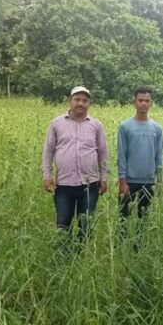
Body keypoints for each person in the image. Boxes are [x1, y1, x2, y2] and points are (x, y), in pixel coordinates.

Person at [42, 86, 109, 247]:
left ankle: (82, 256)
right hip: (64, 184)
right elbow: (48, 151)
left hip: (90, 185)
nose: (81, 103)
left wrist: (104, 177)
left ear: (89, 104)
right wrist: (47, 175)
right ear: (70, 101)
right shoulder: (57, 123)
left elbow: (103, 153)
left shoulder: (96, 125)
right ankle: (64, 258)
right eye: (77, 99)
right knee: (63, 223)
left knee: (86, 224)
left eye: (85, 100)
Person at [117, 86, 163, 250]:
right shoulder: (125, 127)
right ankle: (120, 249)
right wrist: (122, 181)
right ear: (134, 102)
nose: (143, 104)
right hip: (129, 181)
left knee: (144, 219)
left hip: (149, 181)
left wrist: (160, 181)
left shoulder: (157, 128)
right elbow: (121, 155)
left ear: (151, 103)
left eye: (147, 101)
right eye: (140, 100)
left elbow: (159, 156)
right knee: (123, 218)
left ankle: (139, 249)